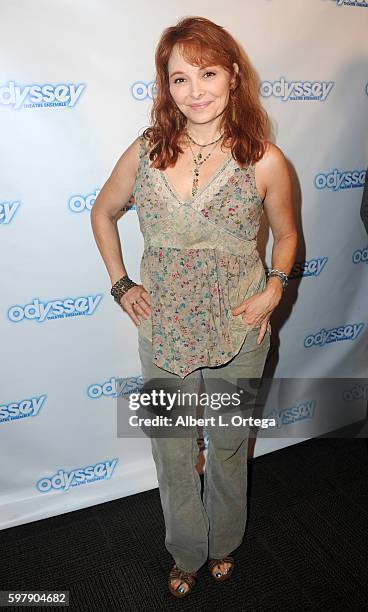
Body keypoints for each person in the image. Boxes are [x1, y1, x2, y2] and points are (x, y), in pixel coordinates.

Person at [91, 16, 297, 598]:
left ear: (233, 75)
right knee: (173, 450)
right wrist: (122, 284)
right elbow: (102, 213)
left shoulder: (266, 160)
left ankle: (225, 543)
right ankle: (186, 550)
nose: (195, 89)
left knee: (229, 446)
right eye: (179, 78)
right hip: (164, 331)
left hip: (240, 328)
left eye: (207, 72)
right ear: (166, 87)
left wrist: (275, 287)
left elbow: (285, 235)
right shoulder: (147, 150)